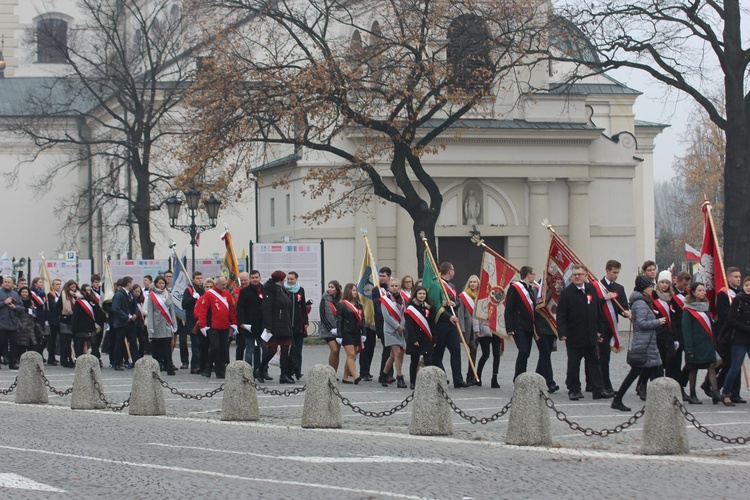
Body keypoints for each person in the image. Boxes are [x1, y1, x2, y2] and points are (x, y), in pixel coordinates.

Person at [557, 264, 612, 400]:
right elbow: (561, 314)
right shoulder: (566, 293)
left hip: (591, 334)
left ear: (586, 276)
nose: (577, 277)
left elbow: (598, 311)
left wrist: (599, 330)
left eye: (580, 274)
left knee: (594, 363)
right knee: (574, 364)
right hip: (574, 335)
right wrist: (562, 332)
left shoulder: (591, 289)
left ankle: (598, 389)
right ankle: (574, 389)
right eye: (575, 274)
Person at [611, 276, 666, 411]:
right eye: (650, 286)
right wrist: (657, 322)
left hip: (647, 344)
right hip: (644, 344)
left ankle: (665, 402)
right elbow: (640, 323)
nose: (652, 288)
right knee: (637, 372)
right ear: (643, 287)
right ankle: (617, 400)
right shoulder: (641, 303)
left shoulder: (643, 301)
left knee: (657, 371)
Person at [636, 270, 674, 400]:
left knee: (665, 362)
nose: (664, 285)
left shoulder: (671, 298)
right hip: (656, 333)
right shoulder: (652, 298)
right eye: (662, 282)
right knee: (653, 363)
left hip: (668, 334)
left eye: (667, 283)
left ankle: (662, 388)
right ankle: (642, 385)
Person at [682, 281, 721, 404]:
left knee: (711, 366)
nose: (703, 292)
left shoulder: (706, 306)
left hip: (707, 343)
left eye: (703, 290)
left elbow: (710, 326)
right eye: (700, 290)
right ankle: (692, 394)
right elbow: (686, 331)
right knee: (693, 368)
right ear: (693, 292)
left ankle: (715, 393)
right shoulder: (687, 310)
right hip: (694, 344)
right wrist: (689, 349)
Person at [432, 262, 470, 388]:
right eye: (453, 269)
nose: (454, 271)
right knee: (439, 352)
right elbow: (436, 306)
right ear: (449, 270)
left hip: (453, 324)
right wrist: (449, 316)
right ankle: (440, 378)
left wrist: (456, 304)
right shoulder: (437, 285)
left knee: (456, 350)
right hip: (442, 323)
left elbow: (458, 300)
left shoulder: (452, 285)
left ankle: (458, 380)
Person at [597, 260, 631, 397]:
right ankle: (603, 385)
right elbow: (593, 305)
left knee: (606, 357)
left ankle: (603, 384)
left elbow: (622, 306)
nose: (616, 275)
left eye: (617, 273)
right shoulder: (597, 286)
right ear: (607, 270)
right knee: (601, 357)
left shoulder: (619, 288)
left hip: (612, 327)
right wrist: (604, 299)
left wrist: (625, 312)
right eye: (614, 272)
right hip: (600, 327)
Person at [712, 267, 744, 403]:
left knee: (737, 363)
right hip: (727, 334)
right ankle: (713, 385)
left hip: (740, 334)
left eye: (739, 277)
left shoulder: (741, 293)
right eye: (735, 276)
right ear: (728, 278)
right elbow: (725, 315)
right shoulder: (723, 294)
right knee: (730, 364)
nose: (738, 279)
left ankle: (735, 393)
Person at [197, 276, 238, 379]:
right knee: (215, 347)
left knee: (224, 349)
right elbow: (203, 311)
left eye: (225, 284)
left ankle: (221, 370)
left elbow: (231, 310)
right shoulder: (209, 295)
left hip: (224, 326)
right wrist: (202, 325)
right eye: (222, 284)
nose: (224, 286)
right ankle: (208, 368)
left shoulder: (227, 295)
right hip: (213, 326)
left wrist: (234, 322)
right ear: (217, 284)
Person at [257, 271, 293, 383]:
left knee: (285, 349)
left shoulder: (282, 290)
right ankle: (261, 369)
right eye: (284, 279)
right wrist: (268, 325)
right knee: (272, 350)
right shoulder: (269, 290)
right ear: (281, 280)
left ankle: (283, 375)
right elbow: (266, 309)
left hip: (285, 324)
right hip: (274, 325)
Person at [720, 275, 750, 406]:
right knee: (735, 367)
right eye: (747, 285)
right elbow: (731, 320)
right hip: (740, 338)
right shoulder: (738, 299)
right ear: (744, 287)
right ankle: (725, 393)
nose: (749, 288)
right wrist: (746, 328)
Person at [505, 266, 537, 382]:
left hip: (528, 326)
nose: (534, 276)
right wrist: (510, 327)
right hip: (518, 326)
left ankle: (522, 377)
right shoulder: (515, 288)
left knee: (526, 353)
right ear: (528, 274)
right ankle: (517, 378)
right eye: (533, 273)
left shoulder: (530, 289)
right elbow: (509, 308)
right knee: (523, 351)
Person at [237, 270, 267, 379]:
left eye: (256, 277)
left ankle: (262, 371)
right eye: (252, 277)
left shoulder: (265, 290)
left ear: (260, 278)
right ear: (250, 279)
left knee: (265, 349)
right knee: (249, 348)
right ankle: (248, 371)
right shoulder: (245, 292)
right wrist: (242, 322)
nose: (254, 279)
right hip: (249, 325)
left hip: (263, 325)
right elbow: (240, 308)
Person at [148, 275, 179, 375]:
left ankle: (169, 367)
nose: (161, 285)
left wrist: (174, 323)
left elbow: (172, 310)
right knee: (156, 348)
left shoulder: (168, 294)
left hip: (166, 323)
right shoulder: (152, 295)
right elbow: (150, 311)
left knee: (167, 348)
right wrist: (150, 326)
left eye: (163, 283)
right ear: (156, 283)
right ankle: (156, 368)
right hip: (156, 323)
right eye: (159, 283)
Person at [405, 286, 434, 390]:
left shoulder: (428, 307)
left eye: (424, 294)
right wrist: (414, 339)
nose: (422, 296)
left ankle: (428, 381)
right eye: (420, 294)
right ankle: (413, 382)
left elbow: (432, 324)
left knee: (429, 360)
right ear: (416, 295)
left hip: (426, 338)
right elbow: (410, 326)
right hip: (416, 338)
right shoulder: (411, 308)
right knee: (414, 361)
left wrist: (434, 338)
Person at [380, 278, 407, 388]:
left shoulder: (402, 299)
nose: (394, 288)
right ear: (388, 287)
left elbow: (404, 313)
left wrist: (402, 325)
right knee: (397, 353)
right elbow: (386, 316)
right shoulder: (384, 300)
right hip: (390, 330)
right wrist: (397, 326)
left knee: (392, 356)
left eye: (396, 286)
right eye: (392, 286)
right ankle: (399, 377)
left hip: (400, 330)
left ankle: (383, 375)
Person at [338, 283, 364, 384]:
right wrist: (339, 334)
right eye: (353, 290)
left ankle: (345, 377)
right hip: (346, 332)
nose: (355, 292)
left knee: (351, 356)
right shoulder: (342, 304)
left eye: (356, 290)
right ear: (348, 291)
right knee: (351, 354)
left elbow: (363, 320)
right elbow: (339, 320)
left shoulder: (359, 305)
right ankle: (355, 376)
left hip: (356, 332)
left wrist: (364, 333)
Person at [111, 276, 139, 371]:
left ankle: (136, 361)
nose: (132, 285)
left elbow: (136, 306)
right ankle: (117, 363)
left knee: (133, 343)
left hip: (131, 324)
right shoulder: (119, 295)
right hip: (121, 323)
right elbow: (116, 309)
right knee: (119, 343)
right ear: (128, 283)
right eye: (131, 283)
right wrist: (126, 317)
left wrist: (135, 314)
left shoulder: (131, 294)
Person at [371, 267, 393, 384]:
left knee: (394, 349)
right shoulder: (376, 290)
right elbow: (377, 306)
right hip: (382, 323)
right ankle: (383, 374)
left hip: (393, 323)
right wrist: (387, 313)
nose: (381, 278)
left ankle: (390, 373)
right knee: (387, 348)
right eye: (380, 276)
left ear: (389, 277)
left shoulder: (392, 289)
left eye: (384, 276)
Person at [285, 271, 308, 380]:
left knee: (298, 349)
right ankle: (289, 370)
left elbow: (303, 307)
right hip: (287, 325)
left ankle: (297, 370)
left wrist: (306, 321)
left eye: (292, 279)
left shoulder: (300, 290)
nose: (289, 281)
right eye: (288, 279)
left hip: (298, 324)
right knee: (290, 349)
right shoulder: (283, 290)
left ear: (296, 279)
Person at [72, 284, 105, 358]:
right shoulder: (79, 302)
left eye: (89, 290)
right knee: (82, 344)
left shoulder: (93, 301)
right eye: (86, 290)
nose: (88, 292)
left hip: (91, 326)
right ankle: (81, 360)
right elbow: (76, 315)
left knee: (94, 344)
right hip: (82, 326)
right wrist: (75, 328)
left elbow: (98, 313)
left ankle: (97, 360)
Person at [670, 271, 691, 387]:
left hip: (687, 330)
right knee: (676, 362)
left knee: (691, 362)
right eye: (684, 284)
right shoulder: (671, 294)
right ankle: (677, 387)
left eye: (687, 285)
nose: (686, 287)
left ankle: (682, 382)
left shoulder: (688, 294)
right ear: (677, 281)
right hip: (677, 330)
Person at [181, 271, 205, 374]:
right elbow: (184, 305)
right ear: (193, 280)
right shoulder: (189, 290)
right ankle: (195, 366)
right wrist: (192, 298)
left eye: (201, 278)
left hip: (202, 321)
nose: (200, 280)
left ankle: (201, 364)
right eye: (197, 278)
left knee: (202, 345)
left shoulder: (203, 290)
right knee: (195, 344)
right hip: (192, 322)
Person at [458, 275, 479, 384]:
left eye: (475, 282)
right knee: (473, 349)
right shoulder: (464, 296)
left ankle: (472, 375)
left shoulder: (481, 296)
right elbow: (460, 313)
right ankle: (470, 375)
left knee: (475, 351)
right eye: (471, 282)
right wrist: (462, 328)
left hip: (479, 328)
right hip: (468, 327)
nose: (473, 284)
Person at [318, 280, 342, 375]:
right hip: (328, 330)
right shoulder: (325, 299)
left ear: (337, 289)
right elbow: (323, 315)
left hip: (338, 329)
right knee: (334, 350)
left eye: (332, 287)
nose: (330, 289)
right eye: (329, 287)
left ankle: (334, 373)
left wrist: (339, 328)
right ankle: (330, 372)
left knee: (337, 352)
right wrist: (331, 328)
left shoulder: (340, 300)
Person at [10, 286, 37, 368]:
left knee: (32, 345)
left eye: (26, 292)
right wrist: (20, 325)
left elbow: (35, 313)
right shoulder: (17, 302)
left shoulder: (31, 302)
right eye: (23, 292)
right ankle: (20, 361)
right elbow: (15, 315)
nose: (24, 294)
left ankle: (31, 362)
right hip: (21, 328)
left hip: (30, 327)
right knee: (21, 346)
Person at [195, 277, 214, 375]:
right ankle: (202, 367)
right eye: (207, 287)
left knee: (214, 347)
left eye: (211, 286)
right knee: (204, 347)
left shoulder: (216, 298)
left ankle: (212, 365)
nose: (209, 288)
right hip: (204, 327)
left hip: (214, 326)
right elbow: (196, 312)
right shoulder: (201, 299)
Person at [57, 280, 78, 368]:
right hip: (65, 319)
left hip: (74, 320)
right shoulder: (64, 295)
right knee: (66, 341)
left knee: (74, 341)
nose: (73, 288)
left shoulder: (77, 295)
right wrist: (62, 315)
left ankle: (72, 358)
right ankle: (65, 359)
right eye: (72, 286)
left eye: (74, 287)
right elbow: (57, 307)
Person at [233, 271, 251, 362]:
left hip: (252, 321)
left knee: (252, 346)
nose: (243, 282)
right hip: (240, 322)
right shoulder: (237, 291)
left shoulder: (254, 289)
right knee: (241, 345)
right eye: (241, 280)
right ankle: (238, 365)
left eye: (245, 280)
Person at [29, 277, 48, 357]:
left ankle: (40, 352)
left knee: (45, 337)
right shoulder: (32, 293)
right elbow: (40, 302)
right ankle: (37, 353)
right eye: (39, 282)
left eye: (41, 282)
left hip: (43, 316)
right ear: (35, 284)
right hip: (37, 316)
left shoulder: (42, 293)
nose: (41, 283)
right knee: (38, 335)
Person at [46, 278, 62, 366]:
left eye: (59, 284)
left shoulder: (60, 294)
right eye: (56, 284)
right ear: (52, 286)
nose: (58, 286)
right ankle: (51, 358)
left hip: (60, 319)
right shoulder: (51, 294)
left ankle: (61, 356)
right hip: (53, 320)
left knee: (62, 339)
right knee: (53, 339)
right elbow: (53, 305)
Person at [131, 284, 149, 358]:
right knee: (133, 342)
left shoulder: (142, 300)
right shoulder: (131, 300)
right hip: (133, 323)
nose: (137, 293)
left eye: (139, 291)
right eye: (136, 291)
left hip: (141, 323)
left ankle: (141, 355)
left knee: (142, 340)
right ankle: (134, 356)